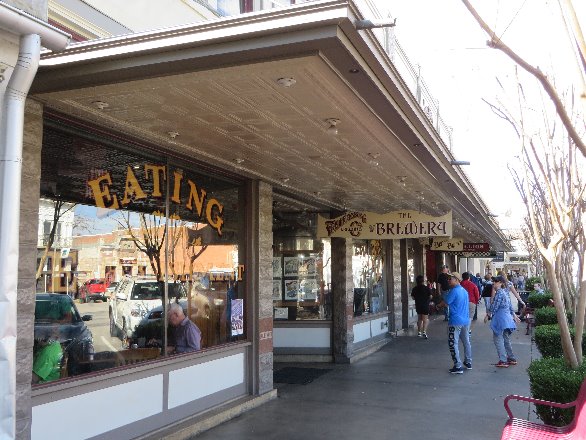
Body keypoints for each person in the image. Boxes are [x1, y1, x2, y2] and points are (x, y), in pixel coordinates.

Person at [437, 272, 472, 374]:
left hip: (455, 321)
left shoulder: (454, 291)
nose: (448, 280)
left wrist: (437, 306)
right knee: (466, 341)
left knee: (453, 343)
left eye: (450, 279)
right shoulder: (464, 291)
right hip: (465, 320)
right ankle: (468, 362)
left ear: (456, 280)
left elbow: (445, 303)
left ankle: (458, 366)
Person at [484, 275, 520, 367]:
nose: (493, 283)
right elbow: (510, 306)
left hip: (500, 319)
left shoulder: (499, 293)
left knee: (498, 338)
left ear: (500, 283)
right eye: (493, 281)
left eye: (495, 282)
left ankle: (503, 360)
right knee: (505, 339)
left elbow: (494, 306)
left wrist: (488, 315)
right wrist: (514, 315)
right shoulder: (505, 292)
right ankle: (511, 358)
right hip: (507, 319)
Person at [411, 275, 432, 339]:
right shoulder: (427, 288)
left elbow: (413, 297)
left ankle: (419, 332)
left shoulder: (414, 288)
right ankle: (424, 332)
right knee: (425, 320)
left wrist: (417, 298)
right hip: (425, 305)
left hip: (418, 305)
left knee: (419, 319)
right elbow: (430, 296)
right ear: (423, 281)